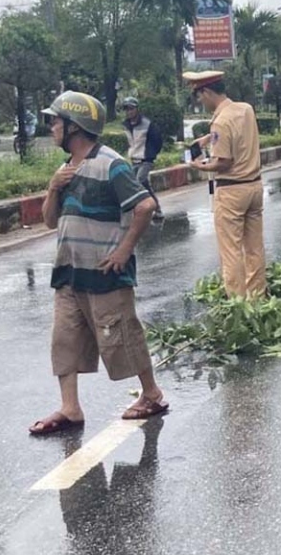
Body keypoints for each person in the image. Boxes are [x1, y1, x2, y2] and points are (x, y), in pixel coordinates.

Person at [28, 91, 165, 436]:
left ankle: (152, 394)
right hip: (69, 272)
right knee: (65, 339)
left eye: (55, 121)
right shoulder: (64, 169)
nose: (52, 128)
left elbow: (145, 207)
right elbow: (48, 222)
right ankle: (70, 408)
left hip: (105, 273)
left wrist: (123, 251)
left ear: (75, 126)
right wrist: (52, 188)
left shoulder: (111, 163)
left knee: (122, 335)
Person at [184, 70, 267, 299]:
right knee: (254, 248)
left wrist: (201, 166)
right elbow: (238, 133)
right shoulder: (245, 109)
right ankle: (257, 298)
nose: (200, 102)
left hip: (231, 192)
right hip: (254, 187)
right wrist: (208, 139)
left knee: (231, 252)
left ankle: (238, 306)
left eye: (199, 96)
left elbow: (224, 162)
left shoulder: (220, 122)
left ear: (208, 91)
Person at [121, 96, 164, 220]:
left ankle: (147, 210)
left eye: (131, 109)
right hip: (134, 159)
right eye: (127, 109)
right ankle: (156, 209)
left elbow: (157, 140)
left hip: (146, 160)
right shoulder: (126, 125)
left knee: (139, 181)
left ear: (137, 109)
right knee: (142, 185)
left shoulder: (147, 124)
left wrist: (151, 153)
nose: (129, 112)